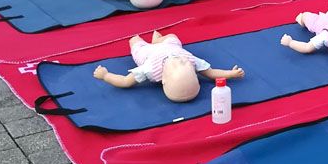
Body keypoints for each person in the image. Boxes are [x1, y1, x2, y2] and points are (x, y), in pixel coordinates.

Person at [93, 31, 245, 102]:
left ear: (163, 79)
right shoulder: (190, 61)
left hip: (148, 53)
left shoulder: (150, 70)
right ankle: (158, 39)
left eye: (176, 66)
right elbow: (212, 73)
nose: (180, 60)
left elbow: (125, 82)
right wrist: (231, 74)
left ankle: (149, 42)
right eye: (184, 64)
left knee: (134, 41)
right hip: (171, 46)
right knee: (172, 36)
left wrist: (105, 75)